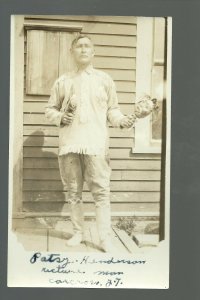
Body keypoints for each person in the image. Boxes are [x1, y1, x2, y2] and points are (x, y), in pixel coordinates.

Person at [45, 34, 135, 252]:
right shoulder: (63, 81)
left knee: (101, 192)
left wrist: (121, 121)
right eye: (79, 46)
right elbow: (50, 109)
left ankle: (104, 237)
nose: (83, 50)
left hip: (96, 143)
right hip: (70, 144)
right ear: (72, 52)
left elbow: (113, 109)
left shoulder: (105, 80)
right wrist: (60, 117)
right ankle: (78, 232)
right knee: (73, 192)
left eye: (87, 46)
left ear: (93, 52)